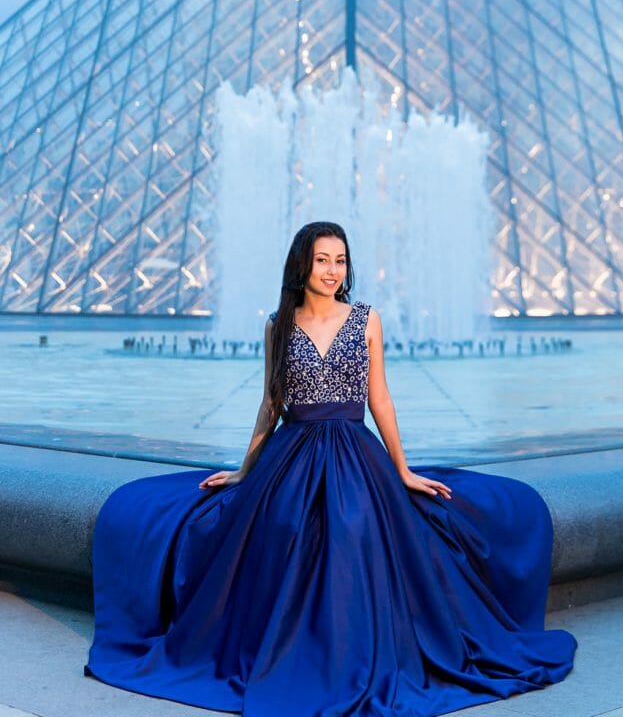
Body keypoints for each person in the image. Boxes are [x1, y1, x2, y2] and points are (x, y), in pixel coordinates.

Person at [84, 220, 577, 716]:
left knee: (357, 527)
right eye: (323, 259)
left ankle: (352, 649)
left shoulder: (366, 319)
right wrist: (243, 470)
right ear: (302, 263)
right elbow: (270, 404)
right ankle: (287, 651)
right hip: (291, 452)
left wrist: (402, 472)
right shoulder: (278, 324)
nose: (332, 270)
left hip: (354, 451)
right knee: (279, 530)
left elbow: (379, 399)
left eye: (340, 260)